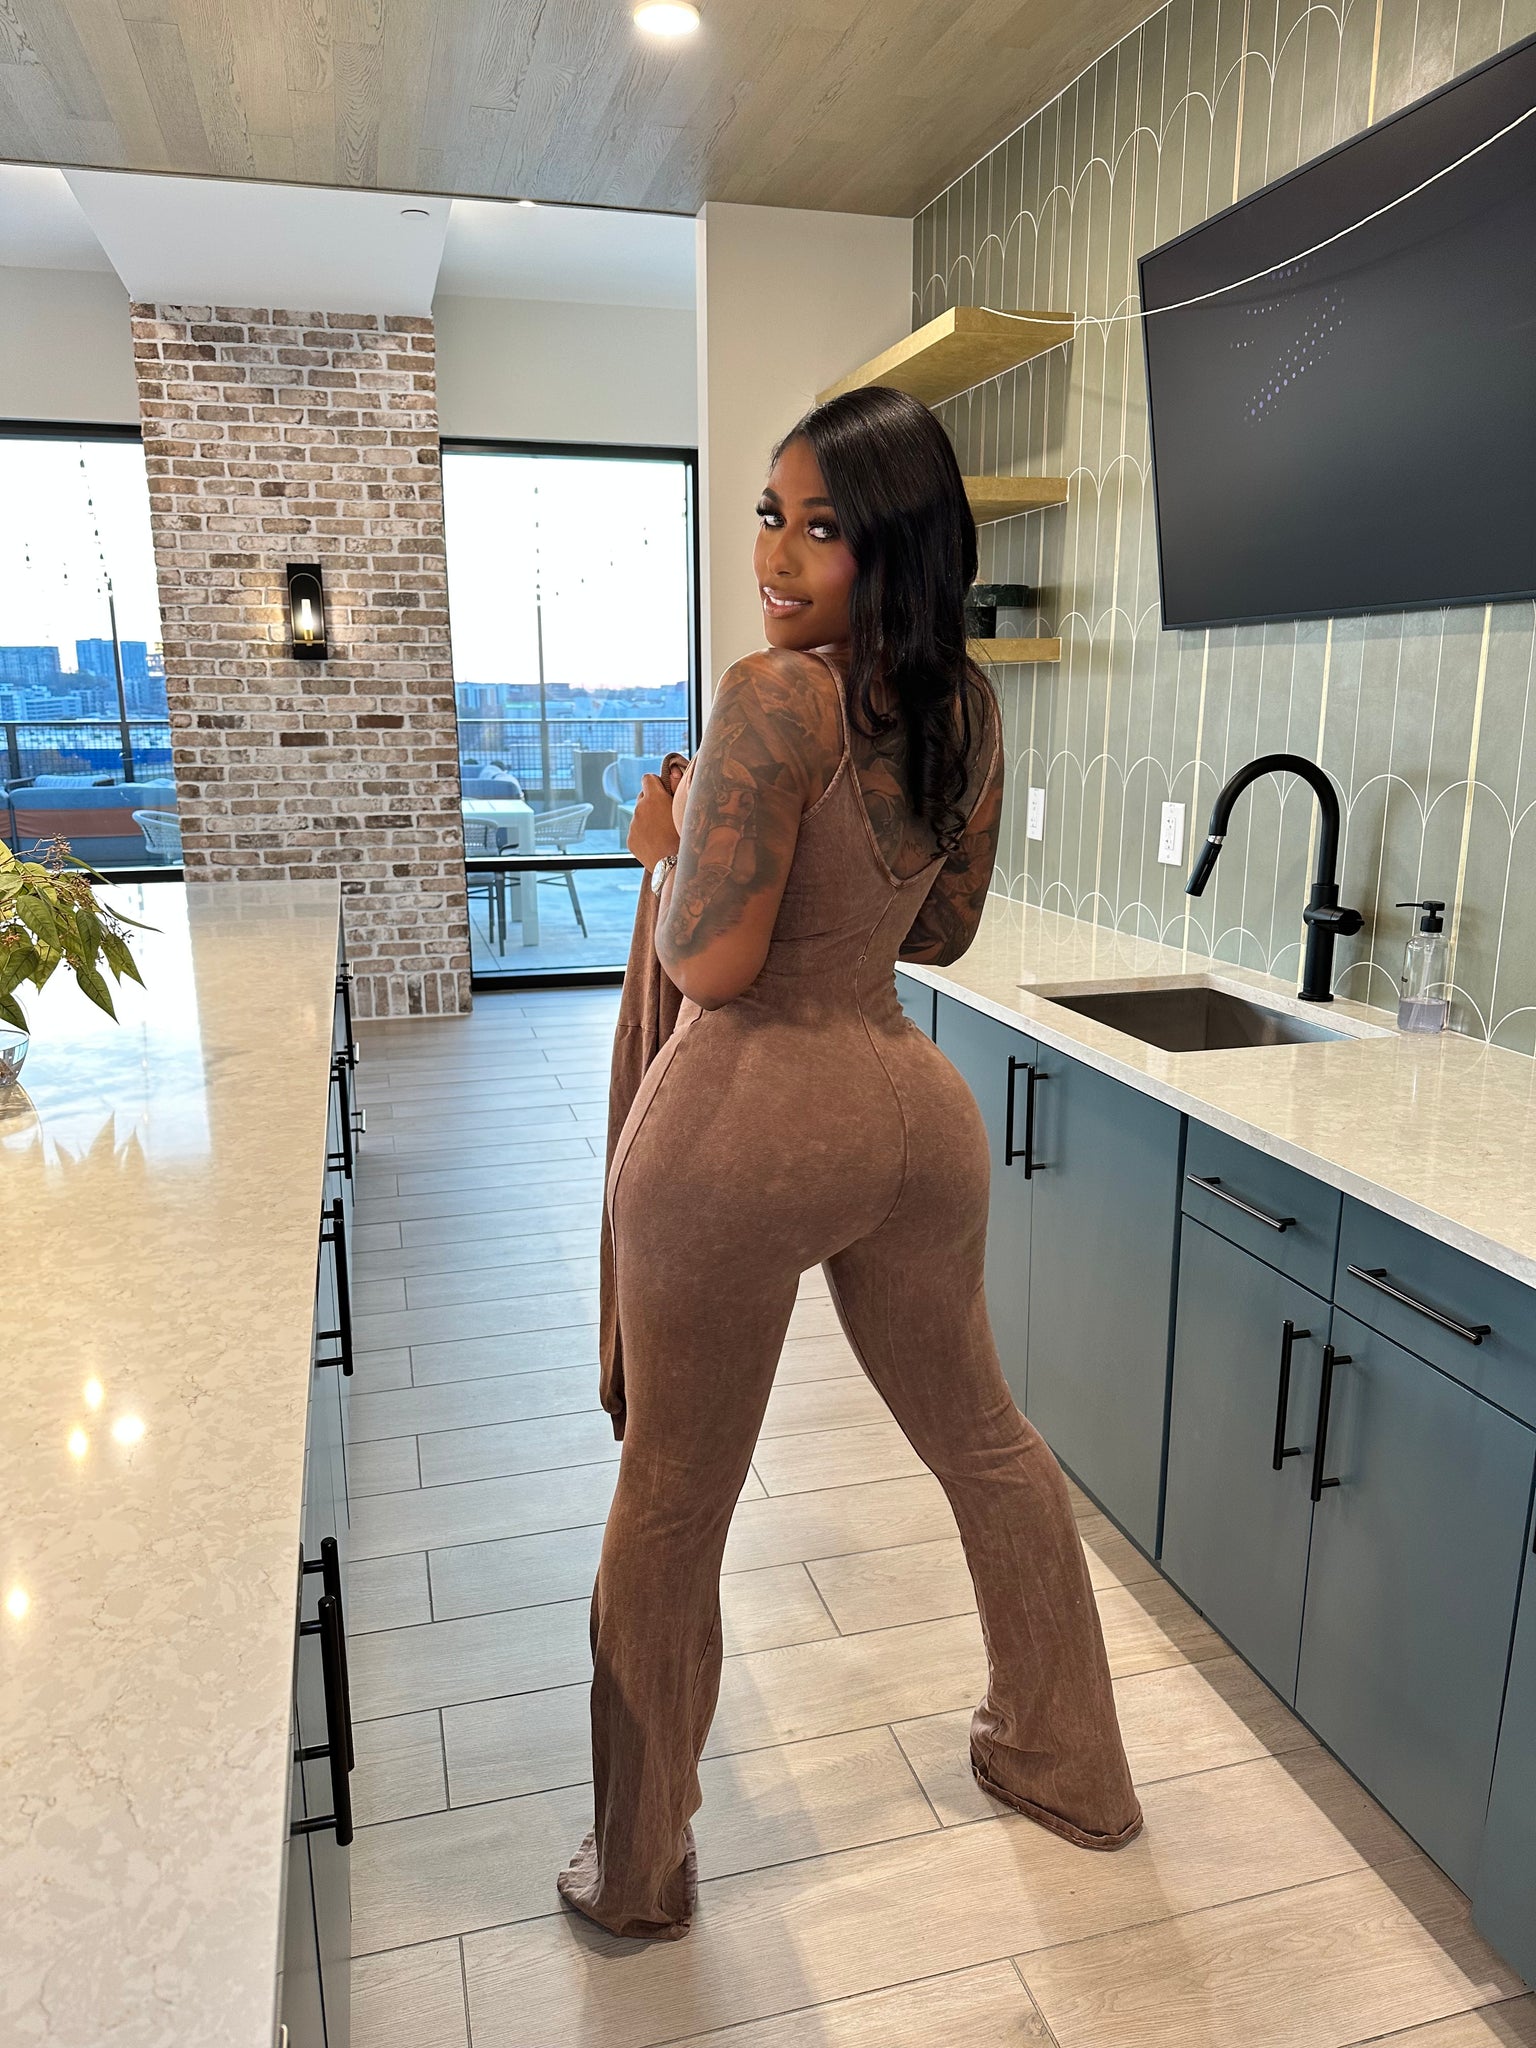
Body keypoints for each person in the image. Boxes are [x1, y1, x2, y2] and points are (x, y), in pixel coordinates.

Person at [557, 384, 1142, 1942]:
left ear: (896, 548)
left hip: (745, 1119)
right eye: (771, 514)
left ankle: (639, 1867)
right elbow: (939, 932)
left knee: (673, 1497)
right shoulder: (968, 709)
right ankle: (1070, 1761)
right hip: (910, 1114)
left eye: (822, 528)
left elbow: (714, 966)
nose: (778, 554)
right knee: (989, 1442)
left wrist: (667, 850)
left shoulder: (770, 696)